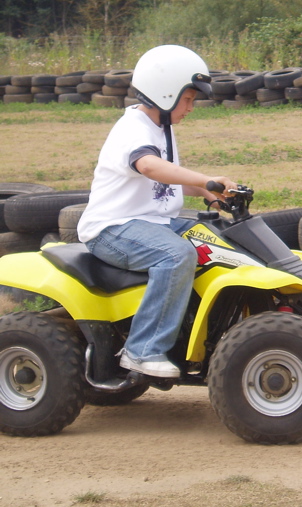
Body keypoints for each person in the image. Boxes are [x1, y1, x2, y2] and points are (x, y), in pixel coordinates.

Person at [77, 45, 238, 379]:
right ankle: (142, 350)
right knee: (176, 255)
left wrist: (210, 193)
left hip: (152, 223)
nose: (191, 108)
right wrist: (206, 179)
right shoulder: (133, 129)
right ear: (165, 94)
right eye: (189, 99)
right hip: (112, 229)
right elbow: (150, 167)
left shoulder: (162, 130)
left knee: (216, 240)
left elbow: (167, 181)